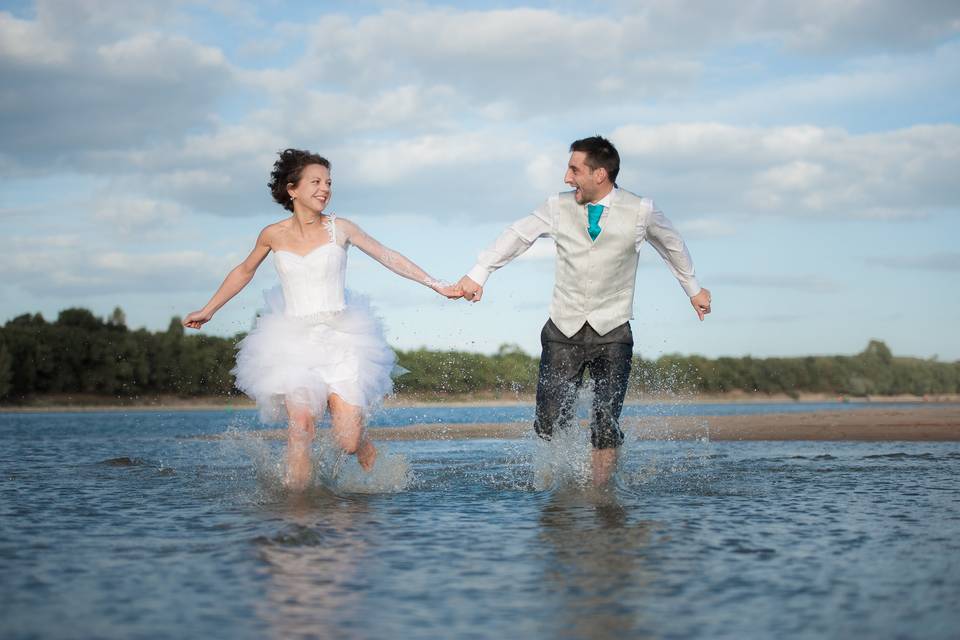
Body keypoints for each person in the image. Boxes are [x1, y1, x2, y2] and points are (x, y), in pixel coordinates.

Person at [184, 148, 461, 490]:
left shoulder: (339, 229)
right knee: (300, 427)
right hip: (292, 342)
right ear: (292, 189)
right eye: (315, 182)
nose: (324, 189)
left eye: (328, 182)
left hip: (344, 339)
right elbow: (244, 270)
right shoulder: (272, 234)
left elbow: (387, 255)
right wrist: (209, 309)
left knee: (346, 440)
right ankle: (298, 514)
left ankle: (366, 451)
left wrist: (437, 285)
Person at [457, 136, 711, 487]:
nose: (567, 178)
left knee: (605, 421)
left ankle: (599, 493)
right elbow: (518, 235)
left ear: (601, 174)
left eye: (574, 169)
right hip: (563, 328)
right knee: (548, 420)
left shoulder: (641, 210)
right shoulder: (557, 207)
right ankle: (556, 484)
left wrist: (693, 289)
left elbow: (672, 245)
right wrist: (479, 273)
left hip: (614, 331)